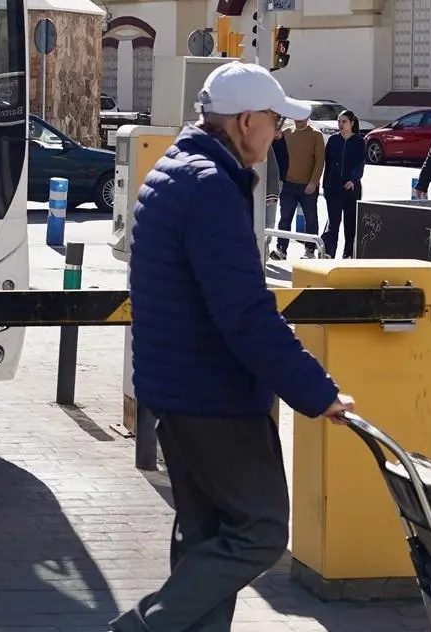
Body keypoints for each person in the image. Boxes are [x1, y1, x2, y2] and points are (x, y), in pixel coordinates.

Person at [115, 62, 354, 632]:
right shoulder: (209, 187)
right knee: (260, 530)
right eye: (274, 122)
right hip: (212, 396)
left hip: (176, 390)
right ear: (246, 121)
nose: (278, 135)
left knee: (207, 537)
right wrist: (314, 390)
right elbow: (246, 314)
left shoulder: (174, 170)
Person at [321, 110, 367, 258]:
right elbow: (327, 164)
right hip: (333, 187)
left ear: (352, 123)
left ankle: (348, 253)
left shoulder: (359, 142)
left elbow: (360, 164)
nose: (341, 125)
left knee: (350, 222)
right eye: (339, 121)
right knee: (333, 222)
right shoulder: (334, 140)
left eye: (344, 121)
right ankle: (329, 252)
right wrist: (326, 185)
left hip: (351, 189)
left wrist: (353, 179)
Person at [277, 117, 324, 257]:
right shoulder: (286, 133)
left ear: (307, 118)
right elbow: (278, 156)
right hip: (288, 185)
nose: (299, 120)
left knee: (310, 219)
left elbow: (320, 160)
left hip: (308, 186)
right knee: (285, 218)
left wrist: (314, 182)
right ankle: (281, 249)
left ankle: (310, 250)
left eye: (302, 117)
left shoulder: (316, 135)